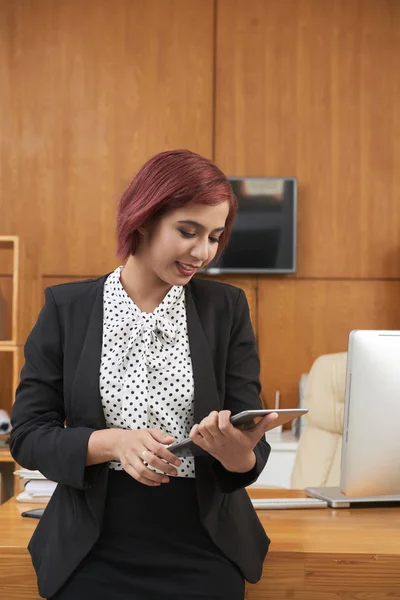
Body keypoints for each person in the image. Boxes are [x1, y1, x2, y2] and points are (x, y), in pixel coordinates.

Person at [10, 149, 278, 600]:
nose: (202, 252)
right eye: (187, 231)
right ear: (142, 219)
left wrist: (239, 453)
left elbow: (248, 451)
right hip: (90, 546)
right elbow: (28, 435)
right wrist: (113, 441)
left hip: (203, 545)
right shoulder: (67, 308)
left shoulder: (226, 309)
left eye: (214, 236)